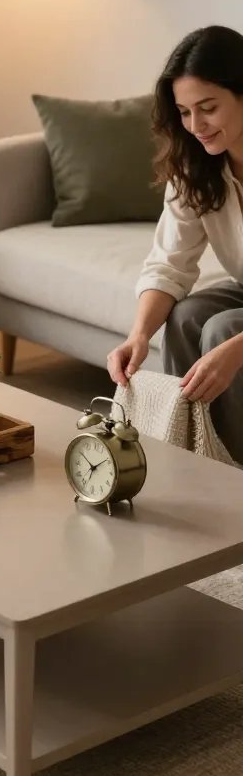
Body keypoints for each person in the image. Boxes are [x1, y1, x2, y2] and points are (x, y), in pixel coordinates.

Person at [107, 24, 243, 465]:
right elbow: (170, 263)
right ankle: (189, 451)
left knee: (225, 331)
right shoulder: (198, 166)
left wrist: (236, 349)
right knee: (184, 317)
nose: (196, 126)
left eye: (208, 108)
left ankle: (233, 472)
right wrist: (138, 335)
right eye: (184, 112)